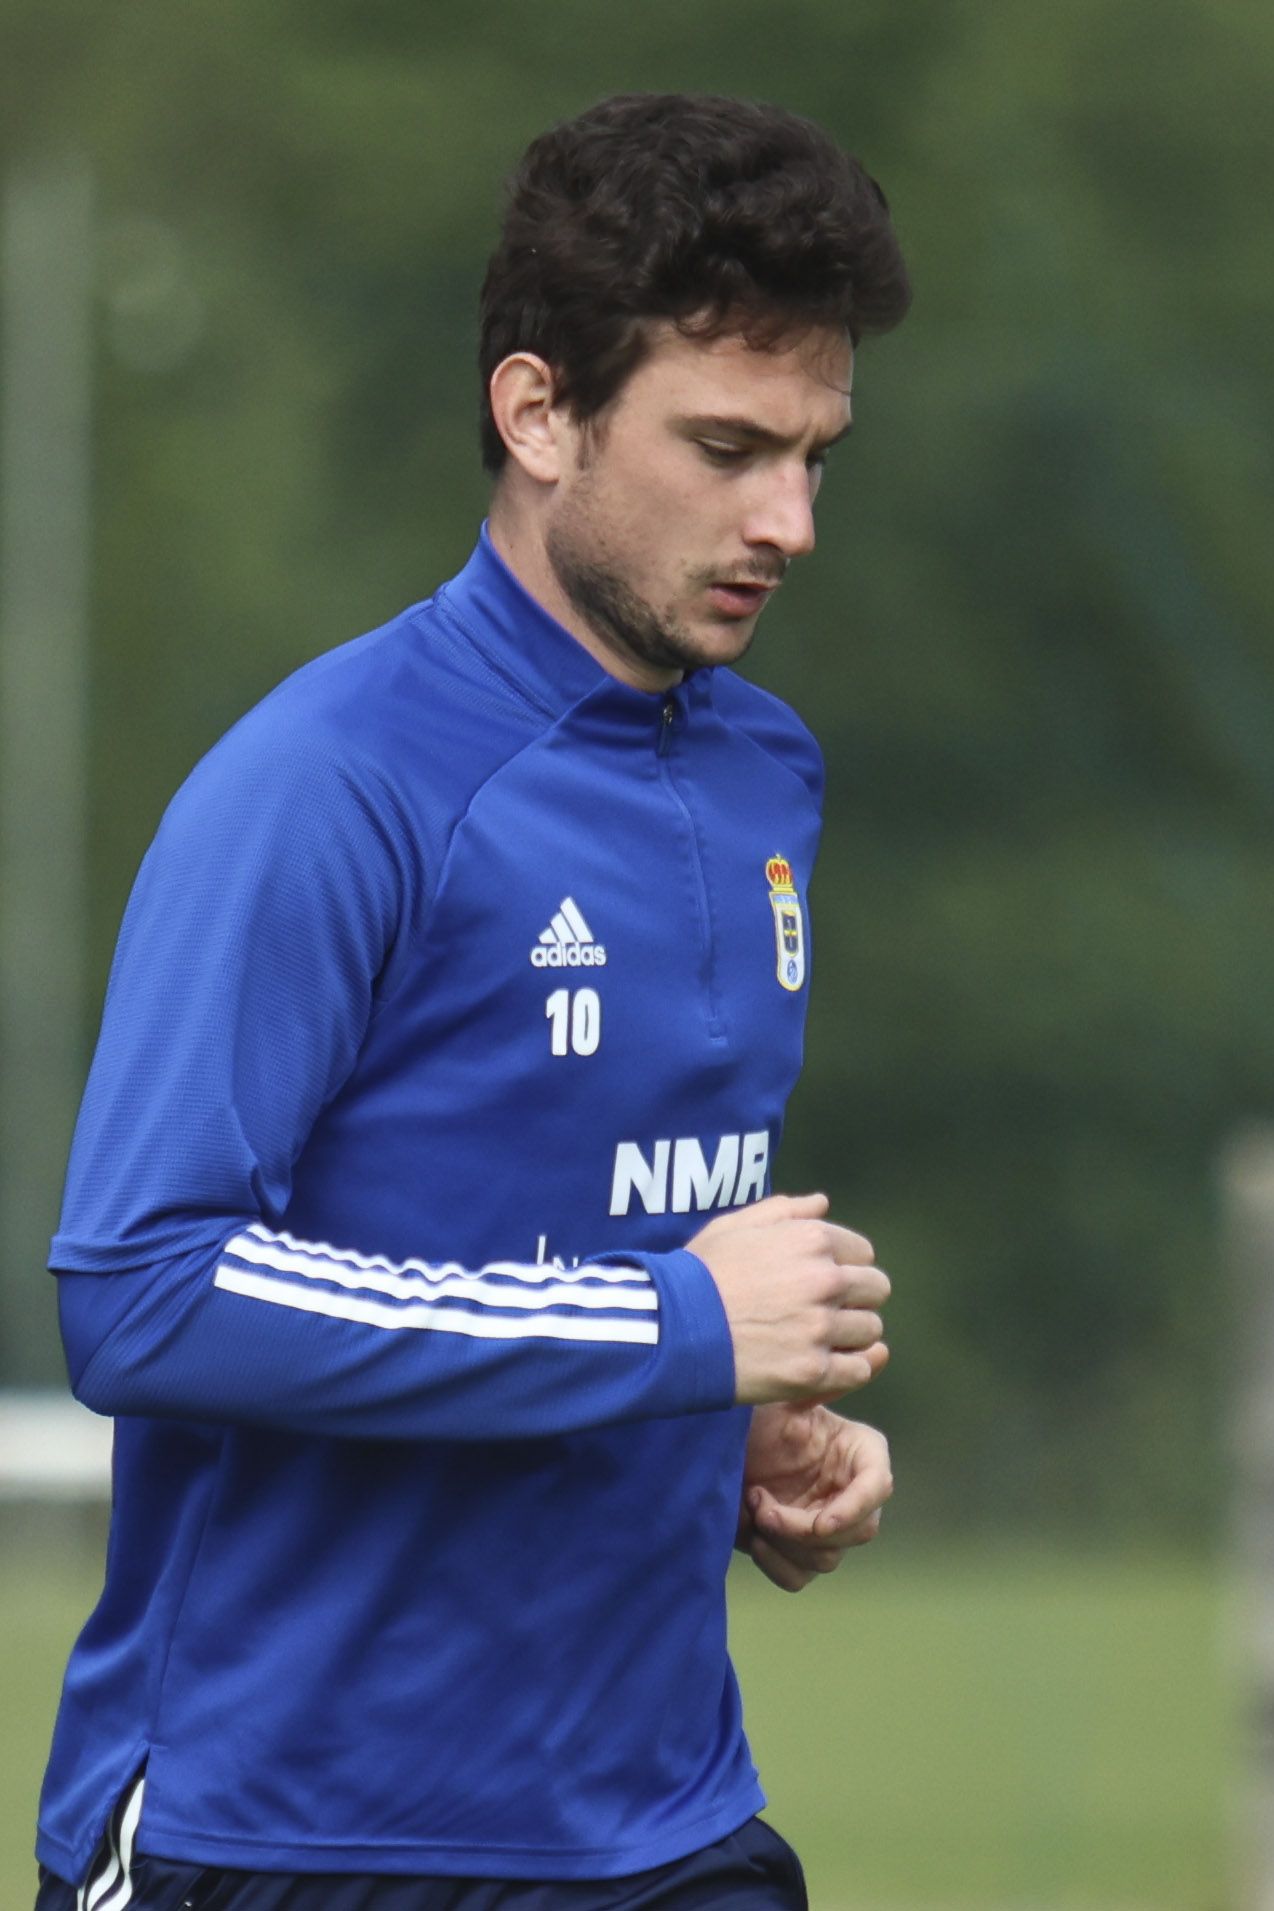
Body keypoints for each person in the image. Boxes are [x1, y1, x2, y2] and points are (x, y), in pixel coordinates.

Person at [35, 91, 910, 1911]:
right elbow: (138, 1291)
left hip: (663, 1823)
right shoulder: (327, 784)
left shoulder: (768, 775)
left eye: (815, 453)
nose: (790, 519)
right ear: (537, 413)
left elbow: (587, 1220)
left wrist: (734, 1423)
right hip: (288, 1834)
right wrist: (672, 1335)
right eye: (728, 446)